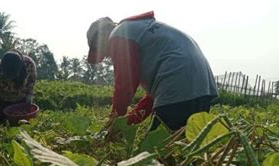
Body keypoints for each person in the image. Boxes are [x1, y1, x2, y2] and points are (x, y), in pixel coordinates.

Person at [87, 11, 218, 132]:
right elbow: (151, 99)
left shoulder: (119, 34)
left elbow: (125, 85)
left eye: (103, 51)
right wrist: (126, 122)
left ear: (102, 35)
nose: (108, 56)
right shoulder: (142, 30)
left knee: (160, 149)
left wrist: (112, 123)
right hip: (202, 87)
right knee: (182, 143)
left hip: (177, 84)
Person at [0, 50, 37, 126]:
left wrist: (29, 98)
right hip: (3, 102)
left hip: (21, 101)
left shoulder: (29, 64)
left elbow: (31, 81)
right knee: (1, 126)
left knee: (23, 126)